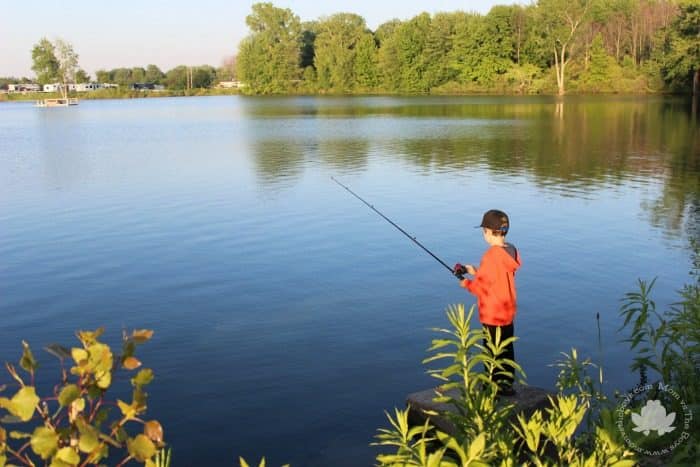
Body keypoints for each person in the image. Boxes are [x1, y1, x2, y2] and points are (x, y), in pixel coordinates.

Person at [453, 209, 521, 396]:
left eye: (484, 231)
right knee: (506, 350)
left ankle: (491, 388)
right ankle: (506, 385)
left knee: (491, 352)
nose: (484, 235)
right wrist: (470, 269)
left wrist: (465, 283)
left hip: (492, 315)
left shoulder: (491, 256)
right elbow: (494, 274)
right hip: (507, 313)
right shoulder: (511, 250)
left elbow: (481, 288)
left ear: (490, 232)